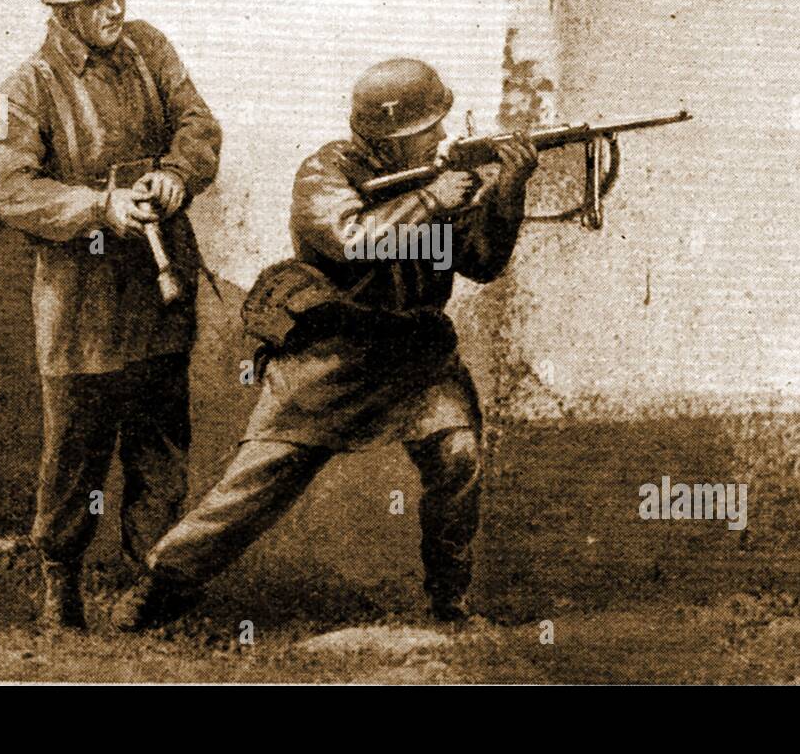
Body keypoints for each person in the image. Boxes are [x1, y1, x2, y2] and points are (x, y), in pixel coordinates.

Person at [116, 58, 538, 631]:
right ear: (391, 136)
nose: (441, 137)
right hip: (332, 352)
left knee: (458, 453)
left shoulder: (436, 176)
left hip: (414, 351)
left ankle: (450, 606)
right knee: (256, 482)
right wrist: (432, 201)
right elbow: (350, 241)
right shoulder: (326, 170)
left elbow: (482, 262)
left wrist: (507, 190)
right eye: (428, 130)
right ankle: (161, 586)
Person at [0, 0, 221, 630]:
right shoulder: (27, 85)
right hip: (80, 302)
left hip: (158, 291)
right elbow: (15, 190)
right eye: (98, 1)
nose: (116, 9)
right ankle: (60, 580)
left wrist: (175, 174)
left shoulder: (150, 49)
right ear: (62, 10)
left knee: (159, 442)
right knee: (76, 452)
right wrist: (99, 207)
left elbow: (199, 123)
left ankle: (149, 583)